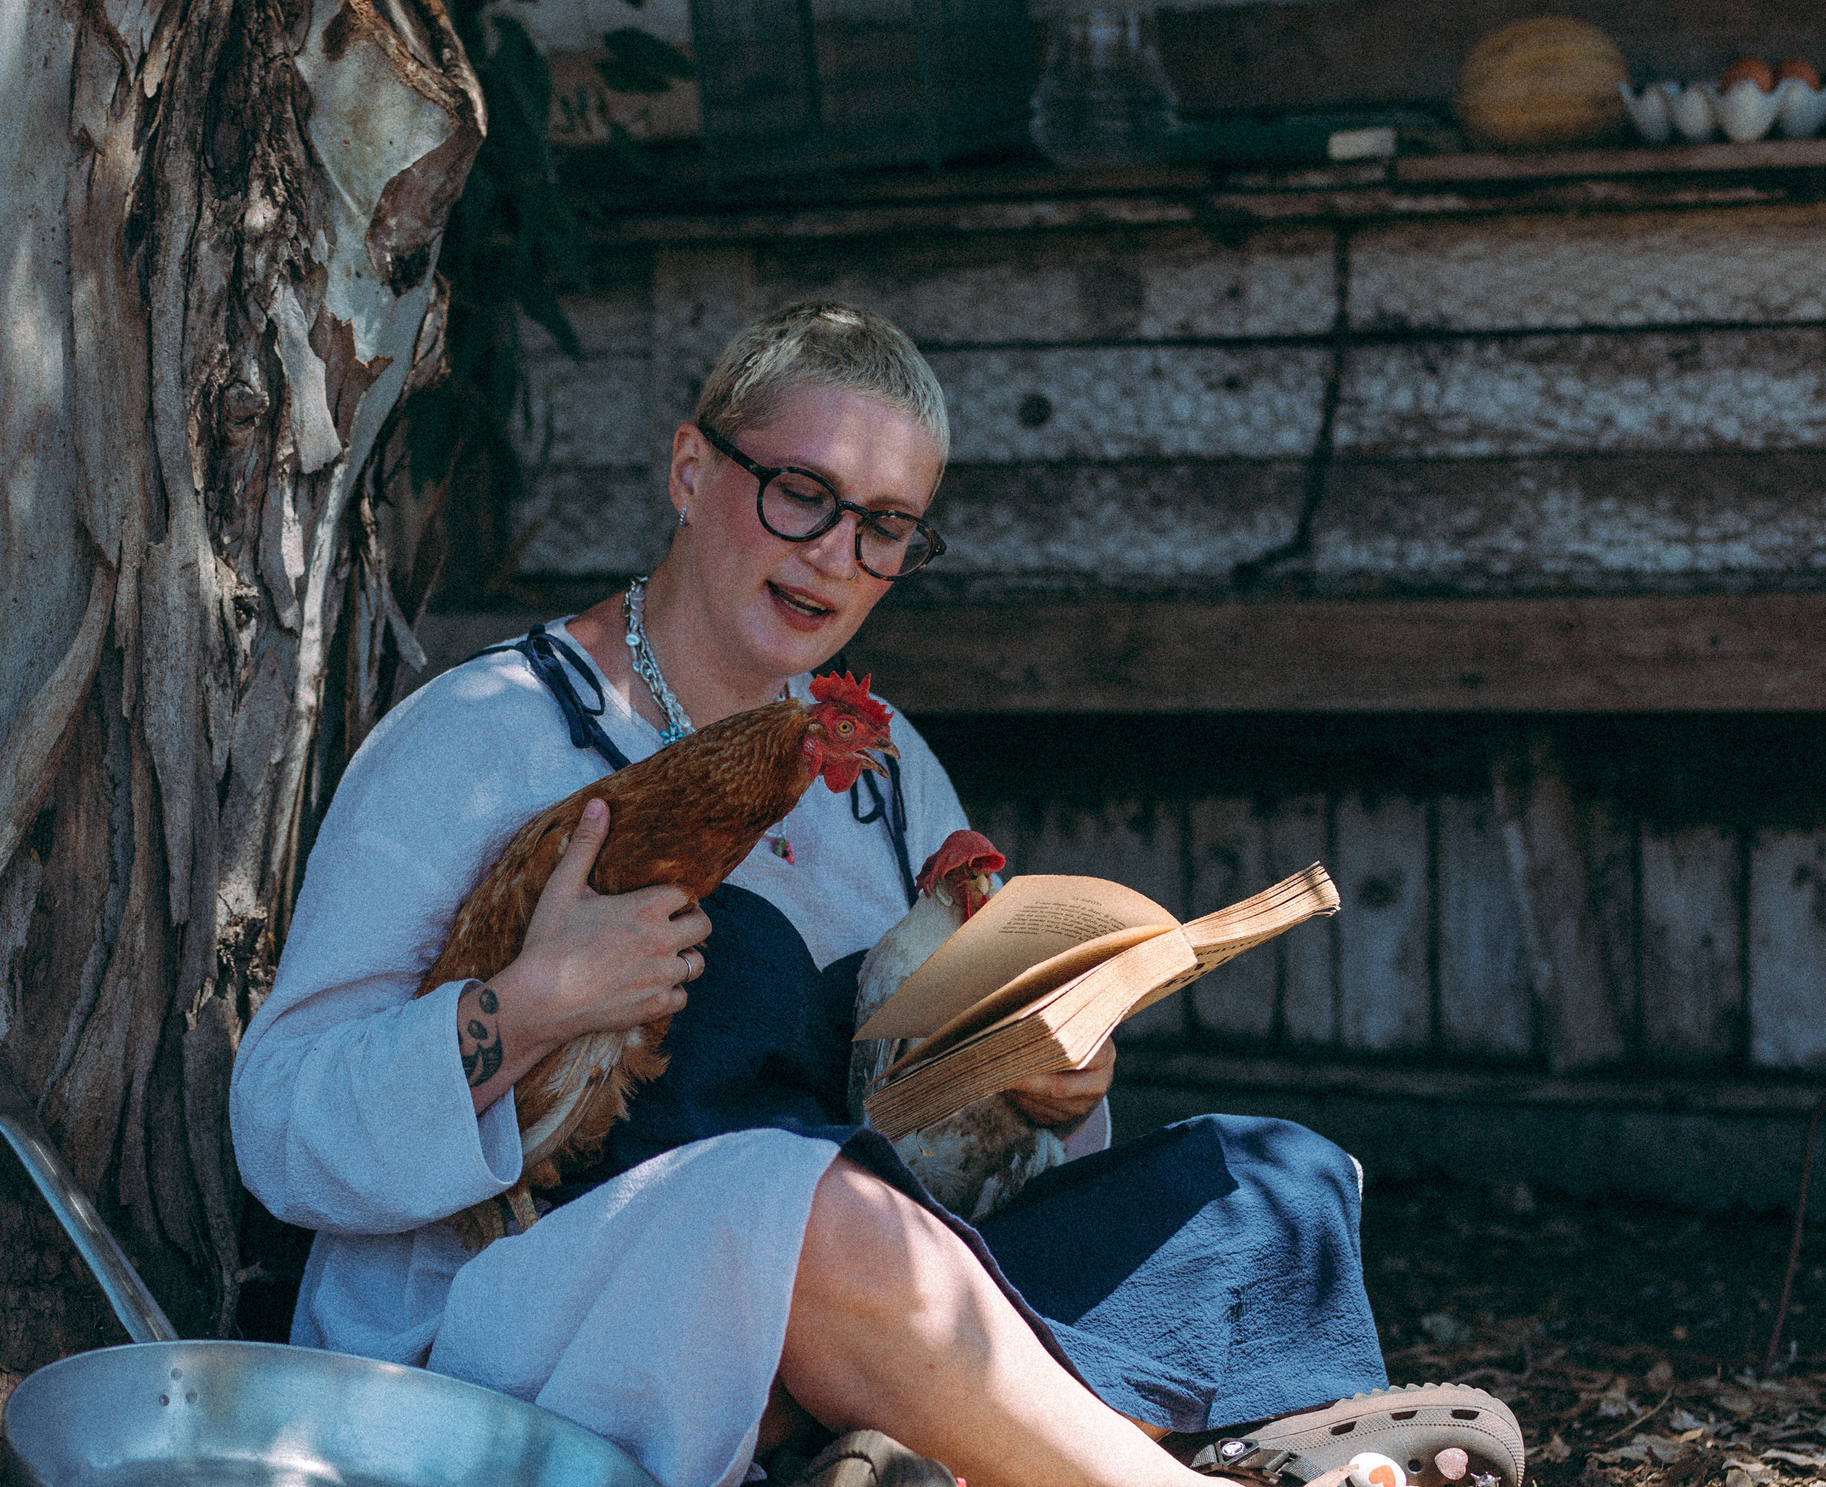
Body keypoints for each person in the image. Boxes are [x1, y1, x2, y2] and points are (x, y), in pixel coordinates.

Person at [231, 302, 1521, 1487]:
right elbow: (279, 1127)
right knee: (800, 1200)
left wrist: (1051, 1093)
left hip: (867, 1287)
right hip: (548, 1321)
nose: (837, 554)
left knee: (1271, 1178)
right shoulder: (485, 737)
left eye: (886, 526)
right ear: (691, 472)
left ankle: (925, 1452)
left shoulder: (884, 762)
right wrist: (527, 1008)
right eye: (803, 494)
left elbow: (948, 1142)